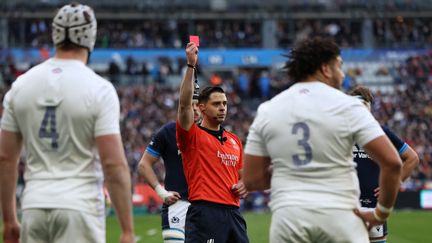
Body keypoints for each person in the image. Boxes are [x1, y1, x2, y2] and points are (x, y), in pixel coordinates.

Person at [242, 37, 403, 243]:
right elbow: (392, 163)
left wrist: (287, 172)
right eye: (340, 66)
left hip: (290, 218)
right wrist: (381, 214)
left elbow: (252, 180)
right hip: (340, 216)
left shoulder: (268, 110)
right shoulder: (349, 107)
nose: (342, 74)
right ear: (326, 69)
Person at [0, 3, 134, 243]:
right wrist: (127, 230)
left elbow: (6, 158)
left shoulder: (21, 86)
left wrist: (10, 220)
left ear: (55, 35)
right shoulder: (99, 89)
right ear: (91, 37)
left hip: (34, 205)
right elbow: (113, 164)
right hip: (80, 206)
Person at [176, 42, 249, 243]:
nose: (222, 108)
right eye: (216, 104)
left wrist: (244, 186)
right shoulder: (191, 135)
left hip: (234, 214)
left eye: (224, 103)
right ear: (202, 108)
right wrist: (191, 66)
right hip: (205, 212)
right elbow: (183, 106)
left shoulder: (234, 140)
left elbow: (243, 179)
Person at [350, 85, 419, 243]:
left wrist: (393, 185)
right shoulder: (342, 132)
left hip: (372, 206)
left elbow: (412, 158)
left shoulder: (380, 132)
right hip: (348, 206)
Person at [137, 97, 201, 243]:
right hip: (177, 205)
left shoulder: (211, 134)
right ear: (182, 107)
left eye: (199, 105)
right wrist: (161, 192)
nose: (195, 108)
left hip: (206, 206)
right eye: (191, 104)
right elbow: (143, 165)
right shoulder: (168, 131)